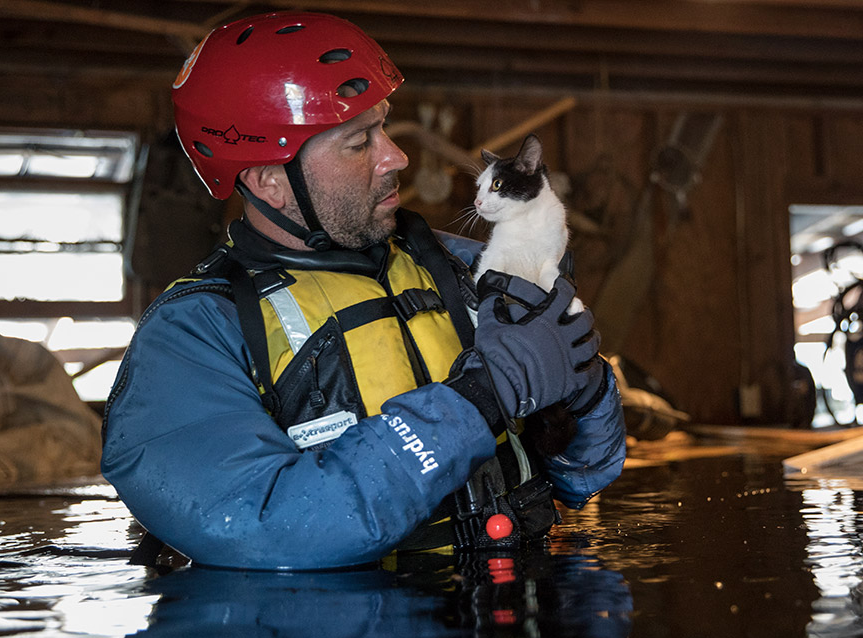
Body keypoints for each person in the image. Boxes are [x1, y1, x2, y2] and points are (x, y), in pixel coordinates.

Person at [101, 11, 625, 571]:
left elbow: (585, 474)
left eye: (385, 127)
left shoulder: (467, 265)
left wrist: (585, 394)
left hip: (520, 624)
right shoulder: (193, 335)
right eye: (359, 142)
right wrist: (481, 396)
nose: (396, 156)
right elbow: (267, 528)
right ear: (268, 180)